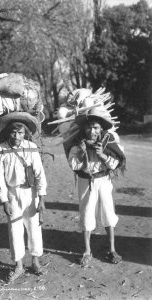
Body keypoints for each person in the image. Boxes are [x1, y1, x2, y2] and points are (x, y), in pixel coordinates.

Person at [68, 107, 126, 266]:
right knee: (86, 212)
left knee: (108, 212)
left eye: (95, 127)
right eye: (89, 127)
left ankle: (112, 249)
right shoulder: (78, 144)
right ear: (84, 128)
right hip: (85, 181)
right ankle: (87, 251)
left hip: (104, 180)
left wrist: (102, 155)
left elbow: (114, 164)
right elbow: (73, 164)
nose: (92, 131)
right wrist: (82, 152)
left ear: (101, 128)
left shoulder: (108, 143)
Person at [0, 112, 47, 282]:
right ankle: (18, 265)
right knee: (14, 229)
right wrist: (4, 200)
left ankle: (35, 261)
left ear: (26, 133)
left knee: (34, 226)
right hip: (12, 193)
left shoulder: (31, 147)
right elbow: (0, 178)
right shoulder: (1, 149)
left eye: (21, 133)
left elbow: (40, 174)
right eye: (14, 133)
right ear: (8, 133)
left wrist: (42, 198)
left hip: (31, 193)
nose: (17, 137)